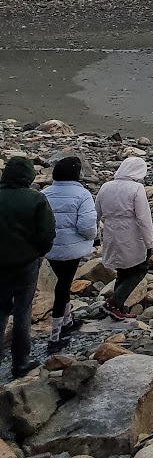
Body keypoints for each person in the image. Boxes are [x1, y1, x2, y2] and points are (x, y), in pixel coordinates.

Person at [0, 156, 56, 375]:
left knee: (0, 310)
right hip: (25, 263)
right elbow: (47, 234)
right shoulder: (36, 199)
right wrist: (39, 253)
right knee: (23, 311)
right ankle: (20, 361)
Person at [41, 154, 95, 351]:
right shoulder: (83, 195)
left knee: (63, 283)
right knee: (63, 286)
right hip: (72, 249)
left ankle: (68, 320)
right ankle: (55, 337)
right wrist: (91, 237)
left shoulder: (45, 193)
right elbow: (87, 226)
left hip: (49, 248)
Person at [96, 157, 153, 321]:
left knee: (122, 270)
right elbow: (143, 218)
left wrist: (96, 235)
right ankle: (113, 302)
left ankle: (118, 307)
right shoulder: (136, 188)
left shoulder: (106, 187)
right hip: (131, 232)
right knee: (139, 268)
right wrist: (150, 243)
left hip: (110, 231)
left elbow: (95, 212)